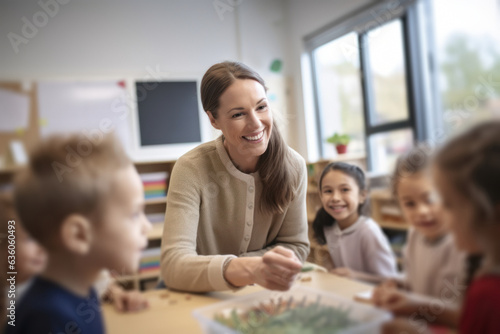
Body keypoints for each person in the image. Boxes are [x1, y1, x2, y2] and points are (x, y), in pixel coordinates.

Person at [160, 61, 309, 293]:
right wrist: (248, 268)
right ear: (213, 120)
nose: (256, 124)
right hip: (202, 294)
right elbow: (173, 265)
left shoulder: (294, 166)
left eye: (261, 107)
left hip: (260, 292)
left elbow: (296, 246)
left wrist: (249, 268)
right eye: (238, 114)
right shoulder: (190, 168)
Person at [5, 134, 152, 334]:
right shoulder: (47, 318)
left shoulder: (85, 291)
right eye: (135, 214)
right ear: (78, 235)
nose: (147, 227)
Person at [383, 121, 500, 334]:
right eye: (409, 203)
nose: (423, 211)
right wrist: (411, 302)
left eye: (448, 204)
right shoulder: (486, 280)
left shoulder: (488, 291)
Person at [373, 146, 467, 328]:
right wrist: (398, 285)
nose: (422, 211)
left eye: (430, 199)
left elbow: (468, 312)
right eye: (409, 204)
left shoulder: (464, 242)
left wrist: (415, 304)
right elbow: (416, 282)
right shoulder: (415, 235)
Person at [312, 162, 397, 283]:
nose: (335, 197)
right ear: (321, 196)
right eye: (328, 191)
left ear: (362, 195)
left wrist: (356, 276)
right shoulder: (329, 228)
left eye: (345, 189)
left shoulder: (368, 232)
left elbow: (391, 281)